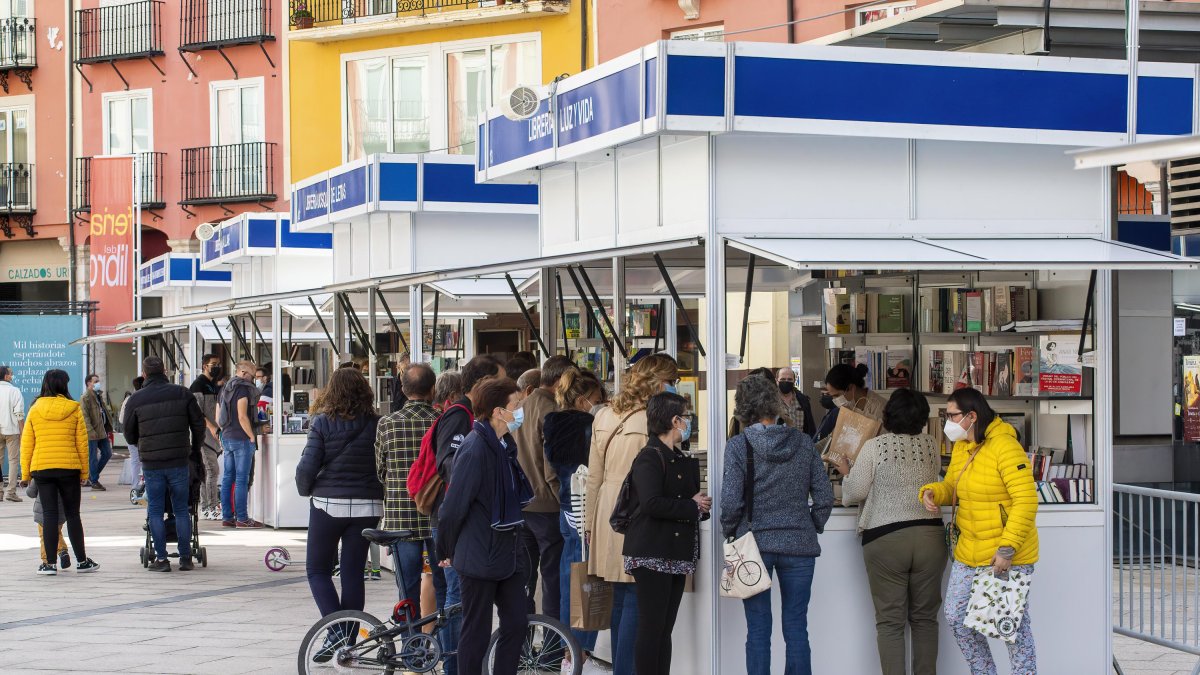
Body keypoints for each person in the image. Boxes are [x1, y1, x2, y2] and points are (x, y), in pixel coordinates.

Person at [920, 388, 1039, 675]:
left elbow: (1026, 499)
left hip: (1004, 554)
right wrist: (933, 491)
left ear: (972, 416)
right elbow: (953, 487)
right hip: (969, 551)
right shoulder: (963, 446)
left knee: (1011, 627)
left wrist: (1007, 548)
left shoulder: (1005, 447)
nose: (948, 421)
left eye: (952, 415)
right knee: (957, 616)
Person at [721, 374, 833, 675]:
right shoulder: (802, 442)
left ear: (742, 408)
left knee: (757, 631)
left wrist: (730, 530)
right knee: (797, 627)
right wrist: (810, 525)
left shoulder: (738, 446)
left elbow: (730, 502)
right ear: (773, 402)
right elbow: (824, 496)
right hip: (799, 544)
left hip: (753, 545)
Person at [835, 389, 945, 675]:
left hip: (886, 539)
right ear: (923, 417)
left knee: (890, 622)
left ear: (888, 415)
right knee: (925, 619)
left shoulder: (874, 446)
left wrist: (847, 472)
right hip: (930, 536)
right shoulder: (931, 445)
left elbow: (856, 492)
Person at [584, 352, 679, 675]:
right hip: (638, 512)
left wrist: (588, 523)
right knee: (638, 599)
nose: (674, 387)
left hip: (608, 511)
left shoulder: (605, 414)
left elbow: (593, 476)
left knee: (621, 598)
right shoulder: (652, 422)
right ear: (657, 382)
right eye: (671, 381)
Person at [435, 377, 532, 675]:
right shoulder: (475, 448)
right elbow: (452, 507)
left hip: (509, 551)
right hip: (479, 554)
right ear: (497, 411)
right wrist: (445, 549)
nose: (520, 410)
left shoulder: (503, 445)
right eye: (516, 405)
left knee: (517, 622)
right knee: (476, 629)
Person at [295, 367, 384, 661]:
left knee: (317, 570)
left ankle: (334, 632)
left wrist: (304, 488)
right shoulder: (377, 423)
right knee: (353, 573)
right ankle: (347, 640)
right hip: (368, 506)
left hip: (328, 505)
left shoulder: (322, 422)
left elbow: (308, 466)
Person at [623, 392, 709, 675]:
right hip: (652, 552)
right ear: (675, 420)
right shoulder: (649, 457)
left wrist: (697, 506)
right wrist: (691, 505)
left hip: (673, 552)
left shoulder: (676, 456)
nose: (688, 423)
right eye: (686, 417)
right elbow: (650, 503)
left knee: (664, 629)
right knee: (652, 628)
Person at [432, 354, 504, 675]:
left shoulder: (475, 419)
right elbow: (448, 463)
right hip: (456, 520)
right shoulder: (459, 416)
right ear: (482, 384)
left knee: (458, 598)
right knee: (456, 599)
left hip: (467, 521)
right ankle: (453, 666)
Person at [122, 357, 206, 573]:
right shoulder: (182, 393)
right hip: (179, 460)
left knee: (156, 510)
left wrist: (143, 442)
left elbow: (129, 435)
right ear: (165, 371)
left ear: (144, 373)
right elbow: (198, 424)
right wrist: (195, 449)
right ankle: (186, 558)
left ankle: (161, 559)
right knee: (181, 509)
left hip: (152, 463)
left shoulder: (136, 399)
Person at [543, 368, 605, 659]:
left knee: (570, 579)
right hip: (586, 511)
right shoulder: (588, 426)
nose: (601, 404)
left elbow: (553, 471)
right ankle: (579, 651)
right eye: (597, 399)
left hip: (567, 508)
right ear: (582, 401)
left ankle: (569, 648)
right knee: (586, 583)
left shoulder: (552, 424)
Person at [375, 362, 444, 612]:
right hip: (437, 514)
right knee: (443, 584)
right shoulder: (442, 421)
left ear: (403, 390)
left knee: (407, 590)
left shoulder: (387, 423)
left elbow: (381, 470)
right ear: (432, 389)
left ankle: (410, 643)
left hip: (400, 516)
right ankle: (443, 642)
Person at [20, 369, 99, 575]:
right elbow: (82, 443)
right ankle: (82, 561)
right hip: (69, 469)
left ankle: (49, 564)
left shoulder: (35, 408)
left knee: (49, 515)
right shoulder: (74, 408)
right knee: (73, 515)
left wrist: (25, 474)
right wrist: (84, 473)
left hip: (42, 468)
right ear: (64, 385)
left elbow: (27, 443)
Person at [512, 355, 572, 618]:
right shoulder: (551, 411)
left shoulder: (518, 408)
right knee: (552, 578)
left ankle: (521, 643)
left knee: (524, 580)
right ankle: (553, 644)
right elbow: (552, 465)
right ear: (560, 379)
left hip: (520, 504)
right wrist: (564, 496)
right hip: (547, 506)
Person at [217, 360, 263, 528]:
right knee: (242, 479)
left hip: (227, 436)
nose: (253, 380)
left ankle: (227, 517)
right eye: (252, 376)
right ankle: (242, 518)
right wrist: (251, 435)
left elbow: (218, 416)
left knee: (228, 478)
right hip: (241, 437)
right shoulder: (242, 388)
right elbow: (242, 415)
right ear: (243, 373)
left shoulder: (226, 387)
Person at [27, 480, 70, 569]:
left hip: (43, 512)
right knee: (56, 532)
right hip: (61, 511)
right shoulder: (65, 472)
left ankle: (47, 561)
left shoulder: (41, 470)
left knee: (45, 536)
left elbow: (31, 493)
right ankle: (62, 551)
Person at [81, 373, 113, 491]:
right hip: (92, 432)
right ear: (89, 383)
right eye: (95, 382)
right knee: (93, 457)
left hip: (102, 431)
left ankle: (91, 476)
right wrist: (90, 431)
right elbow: (85, 417)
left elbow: (103, 413)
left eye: (98, 381)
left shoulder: (98, 396)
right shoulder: (85, 398)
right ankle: (94, 481)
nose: (98, 383)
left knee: (107, 453)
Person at [194, 385, 222, 521]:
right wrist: (211, 427)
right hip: (205, 439)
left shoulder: (214, 389)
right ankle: (211, 507)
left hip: (210, 440)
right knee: (212, 471)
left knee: (208, 472)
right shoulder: (198, 387)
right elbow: (198, 415)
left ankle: (206, 507)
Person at [0, 365, 25, 502]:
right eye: (11, 374)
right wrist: (23, 432)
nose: (12, 375)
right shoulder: (14, 391)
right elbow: (19, 414)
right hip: (12, 430)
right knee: (13, 461)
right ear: (6, 376)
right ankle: (10, 491)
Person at [118, 376, 145, 489]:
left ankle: (135, 486)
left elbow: (121, 419)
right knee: (144, 460)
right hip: (142, 434)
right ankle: (144, 485)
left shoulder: (128, 399)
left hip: (131, 435)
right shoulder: (144, 398)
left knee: (135, 460)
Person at [777, 367, 816, 436]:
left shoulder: (803, 400)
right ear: (777, 381)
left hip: (800, 444)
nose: (786, 381)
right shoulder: (771, 401)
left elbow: (810, 426)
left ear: (794, 381)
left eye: (789, 379)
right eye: (783, 379)